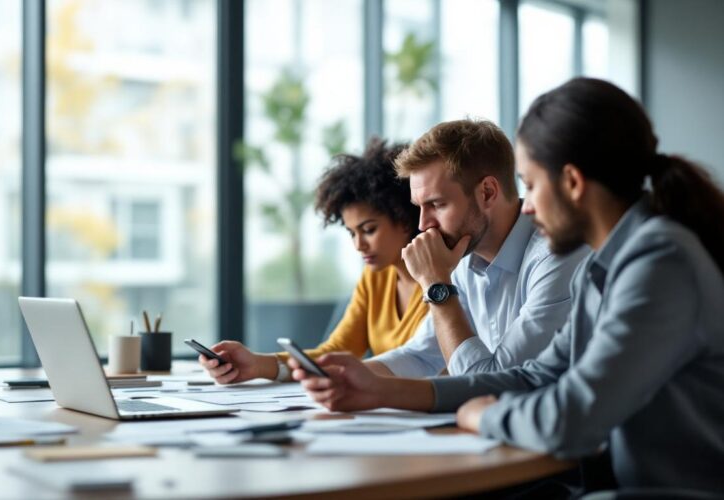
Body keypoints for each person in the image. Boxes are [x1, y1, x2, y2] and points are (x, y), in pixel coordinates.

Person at [294, 78, 724, 492]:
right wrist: (381, 389)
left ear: (572, 183)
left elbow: (573, 416)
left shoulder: (659, 262)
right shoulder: (611, 266)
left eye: (532, 186)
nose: (529, 207)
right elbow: (535, 376)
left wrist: (484, 416)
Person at [364, 119, 587, 378]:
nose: (423, 225)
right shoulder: (463, 256)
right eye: (419, 207)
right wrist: (341, 376)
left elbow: (492, 380)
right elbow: (421, 356)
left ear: (488, 192)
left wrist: (437, 285)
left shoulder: (557, 256)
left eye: (437, 204)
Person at [200, 139, 429, 383]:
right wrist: (257, 364)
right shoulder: (375, 277)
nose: (358, 245)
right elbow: (337, 351)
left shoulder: (440, 281)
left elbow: (430, 365)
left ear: (405, 220)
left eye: (369, 230)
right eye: (352, 233)